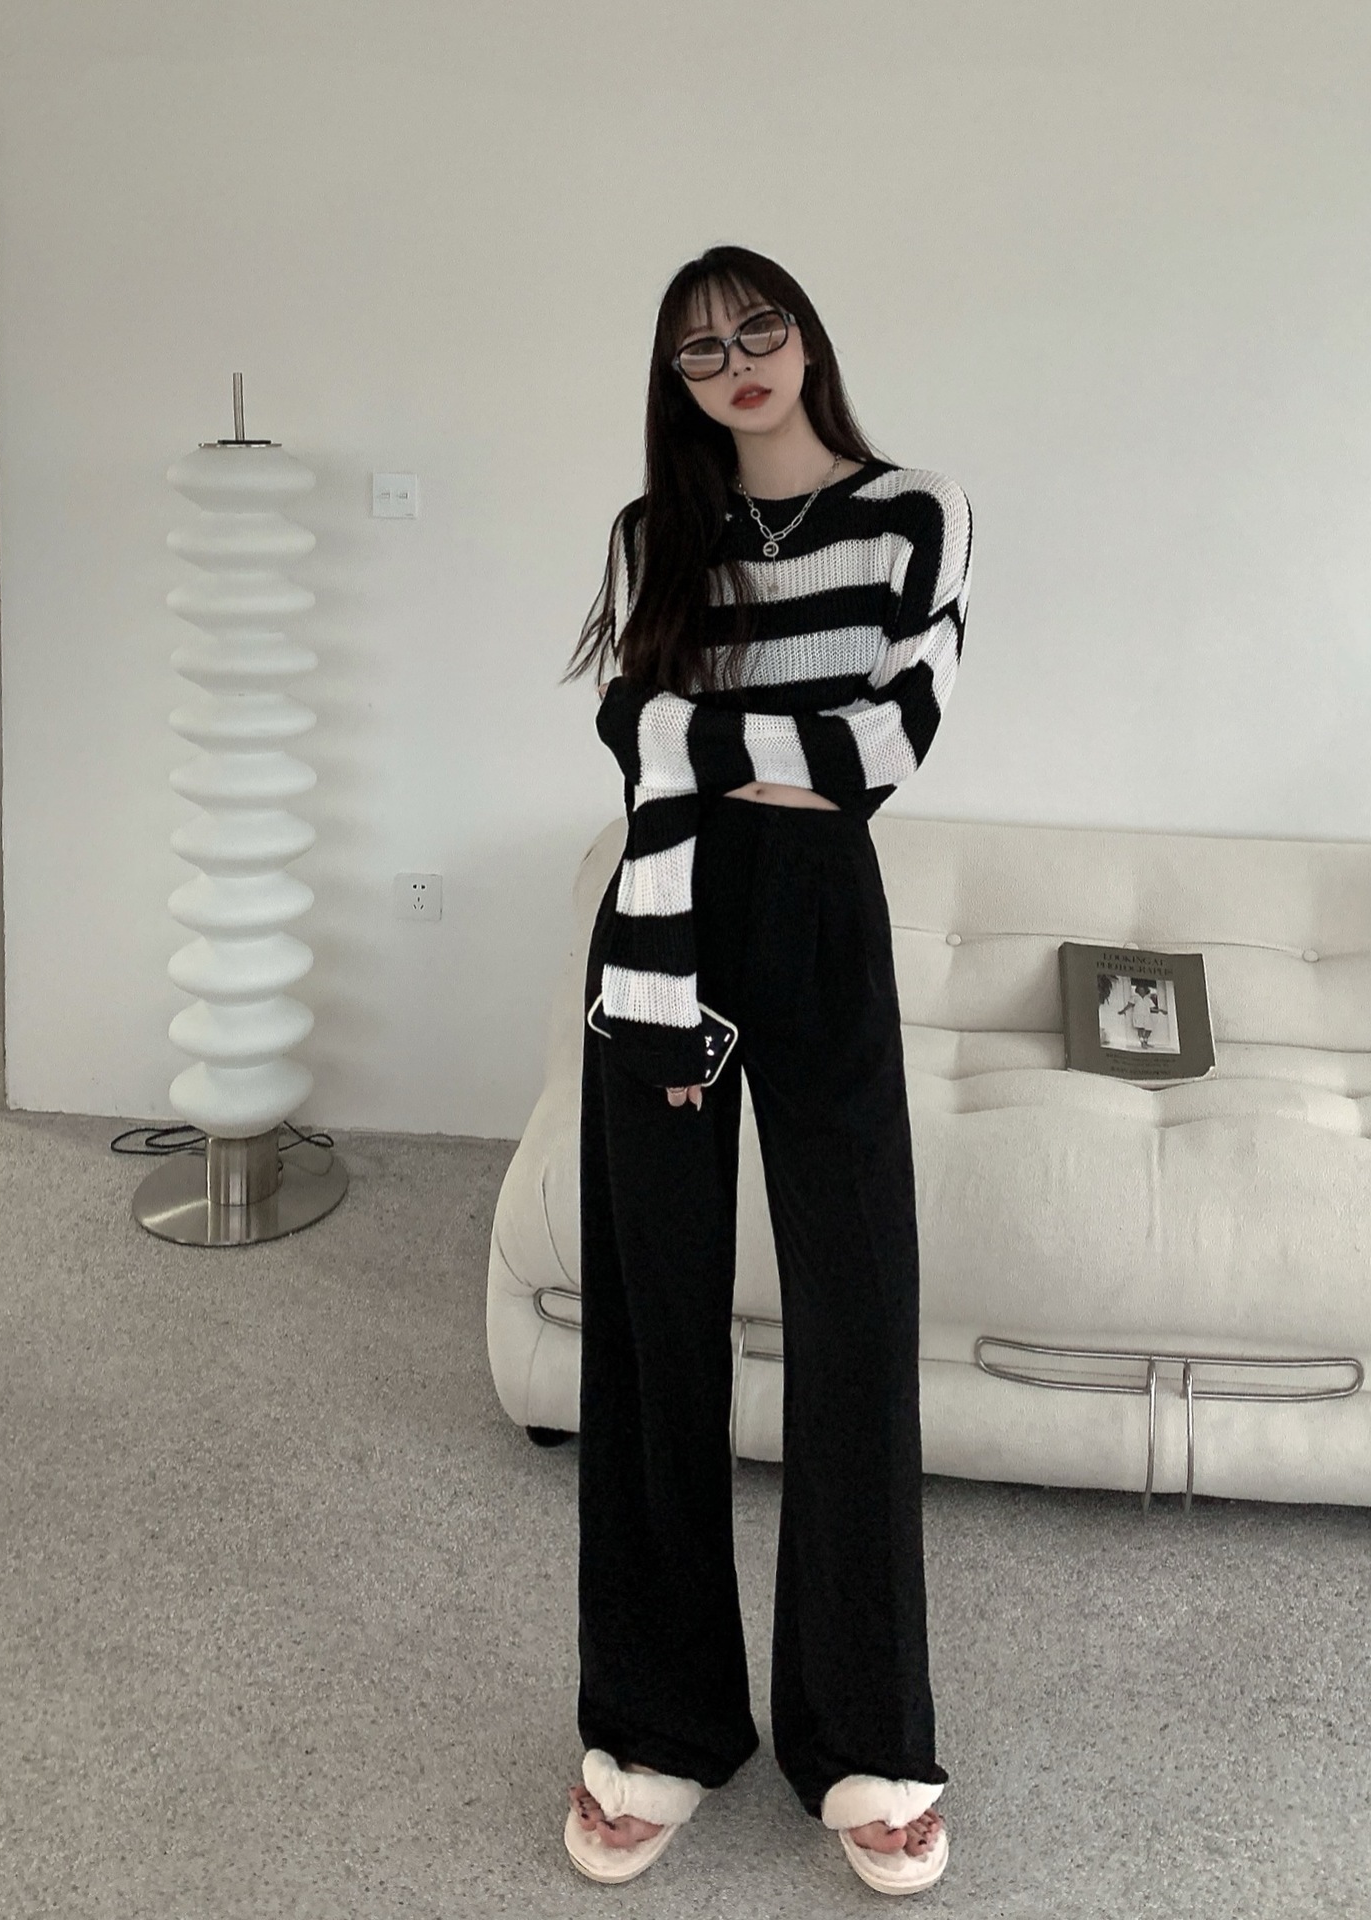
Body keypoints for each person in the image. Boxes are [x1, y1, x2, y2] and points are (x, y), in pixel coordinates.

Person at [558, 244, 974, 1895]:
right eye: (700, 348)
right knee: (653, 1324)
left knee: (857, 1312)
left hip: (816, 920)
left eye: (760, 328)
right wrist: (706, 754)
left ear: (807, 337)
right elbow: (627, 741)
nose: (737, 361)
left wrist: (693, 739)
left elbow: (885, 747)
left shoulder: (913, 513)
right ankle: (657, 1725)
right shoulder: (654, 535)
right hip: (661, 924)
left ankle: (866, 1735)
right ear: (673, 382)